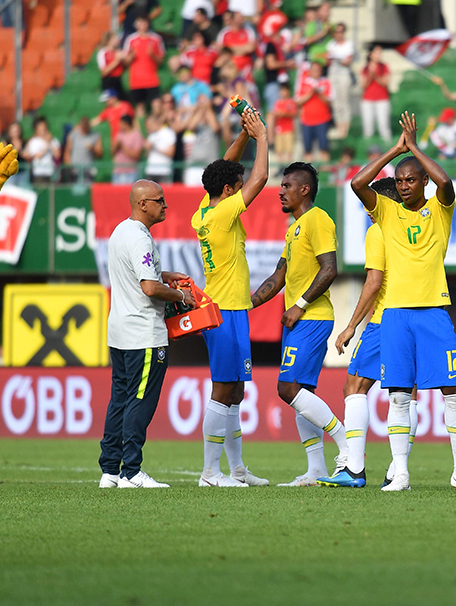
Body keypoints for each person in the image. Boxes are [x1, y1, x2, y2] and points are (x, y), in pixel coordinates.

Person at [350, 112, 456, 493]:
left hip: (434, 311)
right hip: (395, 316)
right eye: (399, 181)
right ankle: (400, 473)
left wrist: (414, 148)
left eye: (410, 179)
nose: (403, 186)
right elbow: (357, 183)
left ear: (424, 182)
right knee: (400, 396)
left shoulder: (439, 210)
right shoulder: (386, 212)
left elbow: (446, 182)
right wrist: (394, 150)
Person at [250, 162, 349, 487]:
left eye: (287, 186)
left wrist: (300, 304)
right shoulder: (294, 229)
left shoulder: (317, 219)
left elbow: (329, 268)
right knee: (302, 393)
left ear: (304, 190)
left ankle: (348, 445)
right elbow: (278, 276)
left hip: (312, 317)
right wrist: (245, 304)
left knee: (288, 389)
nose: (281, 191)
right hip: (299, 320)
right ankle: (316, 469)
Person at [99, 180, 195, 489]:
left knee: (119, 400)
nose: (165, 206)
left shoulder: (120, 232)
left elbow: (137, 275)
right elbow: (150, 288)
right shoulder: (141, 238)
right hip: (144, 334)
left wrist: (164, 274)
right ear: (143, 204)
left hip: (119, 332)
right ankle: (132, 471)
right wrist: (180, 296)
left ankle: (110, 471)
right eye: (159, 200)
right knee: (140, 401)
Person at [192, 109, 270, 487]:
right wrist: (262, 138)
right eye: (236, 187)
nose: (241, 190)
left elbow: (226, 167)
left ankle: (237, 469)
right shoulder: (224, 214)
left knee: (236, 391)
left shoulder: (205, 211)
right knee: (223, 389)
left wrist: (243, 135)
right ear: (228, 192)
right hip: (223, 311)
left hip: (231, 308)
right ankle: (210, 472)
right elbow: (261, 177)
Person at [319, 178, 402, 488]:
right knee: (404, 393)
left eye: (371, 202)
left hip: (385, 320)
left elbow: (374, 281)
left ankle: (354, 469)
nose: (368, 210)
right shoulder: (414, 227)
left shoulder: (379, 229)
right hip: (415, 318)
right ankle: (398, 470)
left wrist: (351, 326)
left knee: (354, 387)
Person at [123, 15, 165, 116]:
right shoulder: (131, 39)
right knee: (139, 107)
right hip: (136, 80)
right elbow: (125, 62)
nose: (142, 25)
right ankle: (142, 125)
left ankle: (157, 125)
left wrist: (153, 55)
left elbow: (161, 60)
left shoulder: (156, 39)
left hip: (151, 79)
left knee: (157, 105)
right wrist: (131, 57)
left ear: (148, 24)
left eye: (144, 22)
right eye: (139, 22)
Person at [295, 60, 333, 162]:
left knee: (324, 148)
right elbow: (298, 101)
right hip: (307, 120)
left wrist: (319, 94)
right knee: (307, 149)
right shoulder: (304, 82)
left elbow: (329, 101)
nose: (316, 72)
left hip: (322, 119)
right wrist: (311, 93)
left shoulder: (326, 82)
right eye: (314, 70)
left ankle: (324, 169)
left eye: (318, 70)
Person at [325, 23, 355, 139]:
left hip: (343, 74)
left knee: (344, 102)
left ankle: (345, 130)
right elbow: (327, 61)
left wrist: (337, 58)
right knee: (336, 103)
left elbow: (347, 61)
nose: (338, 34)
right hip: (333, 74)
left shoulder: (348, 44)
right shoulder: (331, 44)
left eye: (340, 31)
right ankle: (340, 130)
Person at [360, 44, 392, 141]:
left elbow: (386, 82)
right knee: (368, 128)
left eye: (380, 53)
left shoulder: (384, 67)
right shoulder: (365, 68)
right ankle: (367, 146)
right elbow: (363, 85)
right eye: (376, 53)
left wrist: (376, 76)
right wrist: (370, 75)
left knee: (384, 126)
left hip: (382, 99)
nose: (379, 55)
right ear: (371, 54)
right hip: (368, 100)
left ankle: (388, 146)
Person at [63, 115, 103, 182]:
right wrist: (69, 167)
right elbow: (67, 151)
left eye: (86, 127)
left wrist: (92, 149)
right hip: (74, 170)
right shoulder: (72, 135)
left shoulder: (95, 136)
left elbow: (100, 154)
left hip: (88, 170)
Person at [21, 116, 60, 183]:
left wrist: (50, 143)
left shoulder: (52, 140)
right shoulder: (33, 141)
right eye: (40, 128)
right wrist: (46, 145)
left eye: (44, 128)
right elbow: (37, 156)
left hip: (50, 172)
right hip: (39, 173)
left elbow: (57, 155)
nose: (43, 130)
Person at [268, 82, 297, 166]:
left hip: (288, 129)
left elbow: (294, 113)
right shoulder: (277, 103)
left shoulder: (291, 102)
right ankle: (280, 165)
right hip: (279, 129)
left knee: (288, 149)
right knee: (279, 149)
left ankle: (288, 165)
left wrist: (283, 114)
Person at [112, 114, 144, 185]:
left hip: (131, 172)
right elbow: (112, 152)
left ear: (126, 124)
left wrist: (123, 147)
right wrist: (116, 146)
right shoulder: (119, 135)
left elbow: (136, 155)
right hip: (118, 172)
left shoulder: (136, 135)